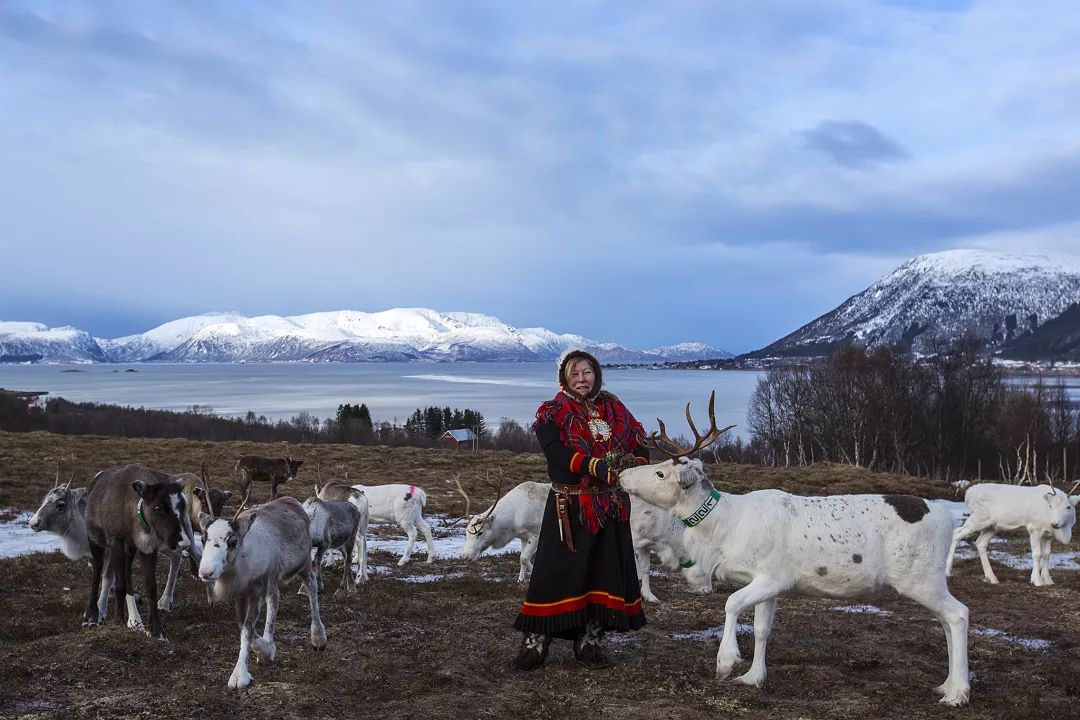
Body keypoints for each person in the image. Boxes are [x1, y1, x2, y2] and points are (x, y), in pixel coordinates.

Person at [512, 349, 649, 670]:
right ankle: (536, 643)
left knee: (604, 574)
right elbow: (556, 455)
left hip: (610, 509)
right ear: (564, 378)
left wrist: (634, 464)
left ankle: (589, 643)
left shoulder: (615, 409)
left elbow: (639, 442)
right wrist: (594, 466)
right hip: (569, 509)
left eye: (587, 373)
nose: (582, 379)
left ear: (596, 375)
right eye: (575, 374)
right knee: (552, 575)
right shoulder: (552, 412)